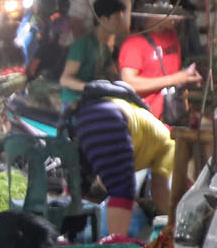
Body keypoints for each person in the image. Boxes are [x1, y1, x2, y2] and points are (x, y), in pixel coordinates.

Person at [70, 83, 176, 236]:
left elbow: (104, 179)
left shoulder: (153, 132)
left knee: (79, 183)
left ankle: (67, 238)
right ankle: (116, 246)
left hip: (84, 116)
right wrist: (175, 221)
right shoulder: (171, 144)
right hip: (113, 118)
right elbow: (159, 192)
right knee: (122, 189)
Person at [118, 11, 200, 123]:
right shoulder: (134, 43)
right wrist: (174, 79)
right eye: (169, 13)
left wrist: (187, 78)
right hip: (146, 120)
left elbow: (172, 72)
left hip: (173, 115)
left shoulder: (172, 35)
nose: (176, 18)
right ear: (153, 13)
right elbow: (129, 82)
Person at [60, 0, 127, 107]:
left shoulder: (104, 48)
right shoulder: (83, 44)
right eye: (117, 19)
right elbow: (65, 80)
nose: (121, 23)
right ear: (103, 19)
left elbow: (113, 75)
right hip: (74, 103)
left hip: (91, 101)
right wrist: (90, 87)